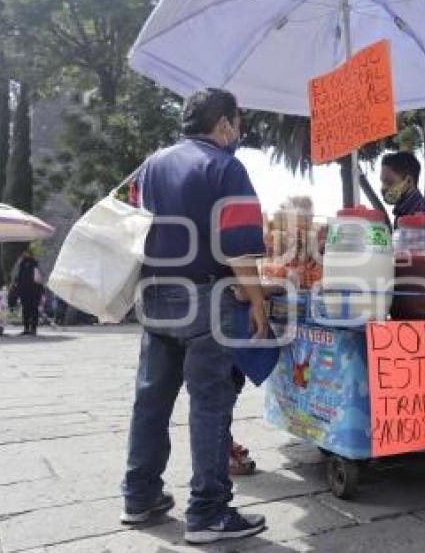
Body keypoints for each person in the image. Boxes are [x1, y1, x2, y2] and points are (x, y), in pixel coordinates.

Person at [121, 88, 267, 544]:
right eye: (237, 124)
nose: (238, 133)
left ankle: (140, 496)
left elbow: (128, 226)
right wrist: (257, 300)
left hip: (155, 295)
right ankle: (207, 513)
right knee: (209, 402)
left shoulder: (149, 167)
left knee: (151, 400)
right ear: (223, 124)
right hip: (206, 299)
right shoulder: (225, 166)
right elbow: (240, 248)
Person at [379, 151, 425, 228]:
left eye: (389, 182)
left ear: (409, 181)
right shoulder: (404, 211)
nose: (383, 188)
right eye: (382, 182)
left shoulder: (424, 213)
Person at [13, 247, 43, 336]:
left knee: (32, 310)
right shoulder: (22, 263)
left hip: (33, 291)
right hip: (26, 291)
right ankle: (27, 328)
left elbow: (38, 278)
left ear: (28, 253)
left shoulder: (34, 263)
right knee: (27, 310)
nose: (23, 254)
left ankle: (32, 328)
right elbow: (18, 277)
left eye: (24, 253)